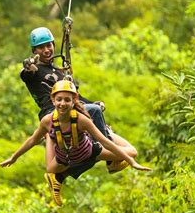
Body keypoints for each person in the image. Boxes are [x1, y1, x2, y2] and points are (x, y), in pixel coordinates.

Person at [18, 27, 128, 203]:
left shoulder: (60, 72)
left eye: (48, 45)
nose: (46, 50)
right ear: (34, 51)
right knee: (94, 114)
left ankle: (60, 178)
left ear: (54, 45)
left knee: (90, 150)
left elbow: (75, 97)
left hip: (70, 110)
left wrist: (94, 102)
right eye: (41, 47)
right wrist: (29, 64)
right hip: (54, 112)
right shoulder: (35, 71)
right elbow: (26, 73)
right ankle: (111, 160)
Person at [0, 80, 152, 205]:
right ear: (53, 100)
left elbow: (104, 142)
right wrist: (14, 157)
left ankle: (109, 131)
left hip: (91, 153)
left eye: (67, 100)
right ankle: (49, 137)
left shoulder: (82, 121)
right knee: (50, 168)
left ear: (74, 101)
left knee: (132, 152)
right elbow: (32, 140)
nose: (63, 103)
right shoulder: (47, 121)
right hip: (63, 159)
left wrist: (131, 162)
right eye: (59, 99)